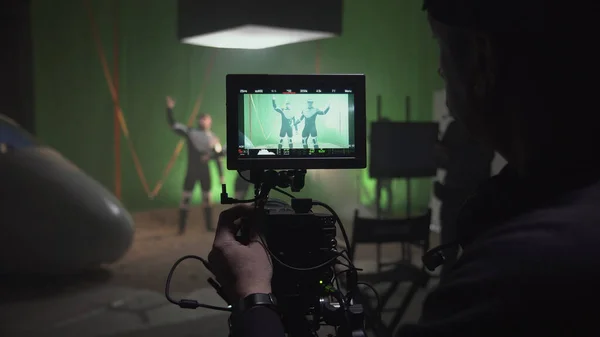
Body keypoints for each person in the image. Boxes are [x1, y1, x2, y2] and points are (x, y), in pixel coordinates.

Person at [208, 1, 600, 337]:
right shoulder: (555, 209)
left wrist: (253, 295)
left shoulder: (511, 275)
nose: (442, 72)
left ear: (482, 60)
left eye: (441, 49)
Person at [434, 118, 494, 280]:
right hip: (476, 199)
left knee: (450, 255)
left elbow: (445, 162)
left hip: (457, 200)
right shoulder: (486, 126)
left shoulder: (458, 127)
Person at [166, 96, 224, 234]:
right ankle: (181, 228)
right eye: (201, 118)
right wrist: (169, 109)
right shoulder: (191, 132)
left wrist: (221, 175)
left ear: (210, 121)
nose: (203, 120)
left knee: (207, 198)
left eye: (205, 118)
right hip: (191, 172)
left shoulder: (214, 138)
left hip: (205, 172)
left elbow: (218, 157)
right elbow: (173, 125)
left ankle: (209, 226)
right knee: (185, 198)